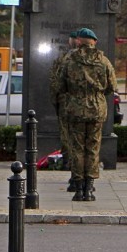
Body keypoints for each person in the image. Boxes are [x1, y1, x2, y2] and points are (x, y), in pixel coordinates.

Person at [54, 28, 116, 201]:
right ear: (94, 42)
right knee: (93, 149)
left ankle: (78, 188)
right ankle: (89, 188)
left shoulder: (69, 61)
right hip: (96, 110)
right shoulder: (104, 62)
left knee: (77, 149)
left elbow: (60, 86)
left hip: (75, 110)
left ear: (79, 41)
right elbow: (112, 86)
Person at [48, 30, 78, 190]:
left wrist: (58, 102)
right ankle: (84, 178)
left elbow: (55, 84)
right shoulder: (98, 60)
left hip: (66, 106)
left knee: (69, 140)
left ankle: (75, 173)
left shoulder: (63, 60)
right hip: (85, 108)